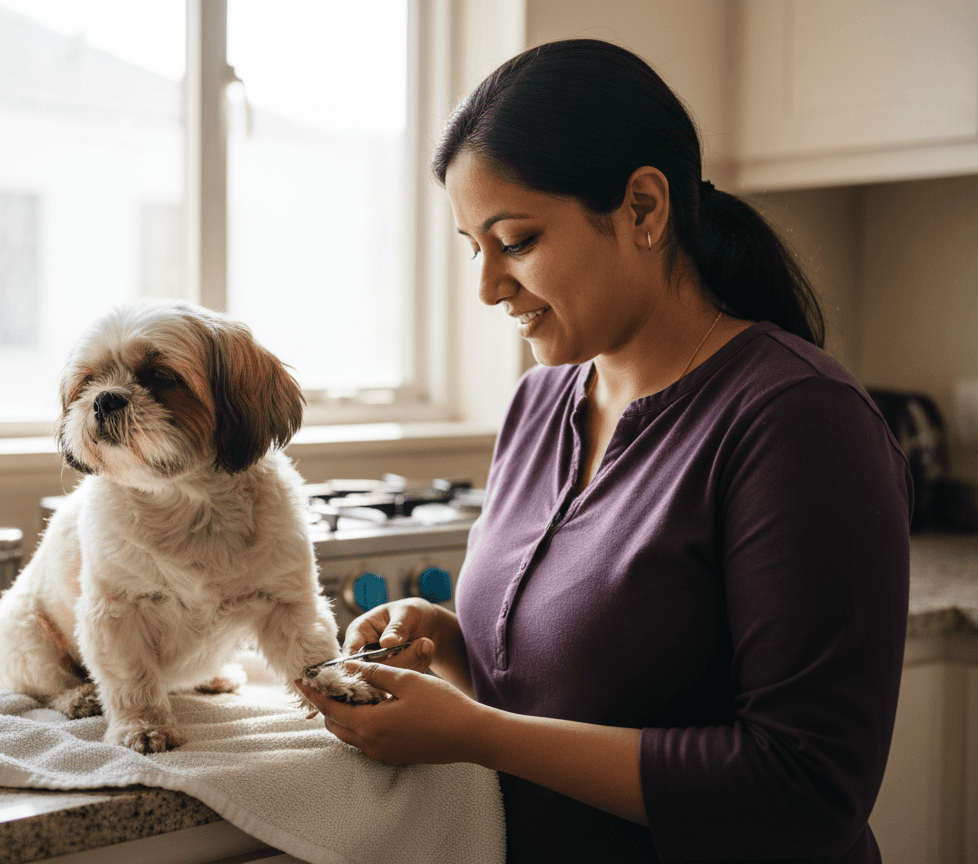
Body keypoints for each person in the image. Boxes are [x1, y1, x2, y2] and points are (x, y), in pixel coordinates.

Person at [299, 39, 911, 864]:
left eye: (514, 241)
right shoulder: (541, 401)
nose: (486, 285)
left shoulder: (799, 421)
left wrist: (480, 733)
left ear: (645, 210)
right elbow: (583, 694)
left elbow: (805, 791)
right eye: (471, 245)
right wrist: (450, 646)